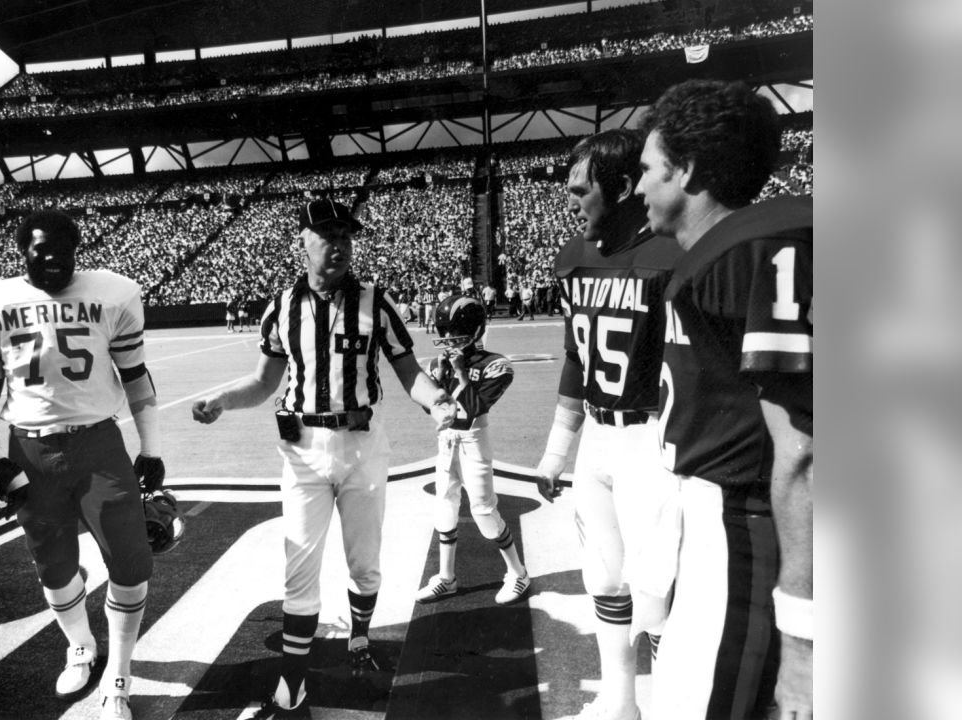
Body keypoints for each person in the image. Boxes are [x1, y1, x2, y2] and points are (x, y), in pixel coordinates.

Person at [190, 199, 458, 720]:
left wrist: (439, 403)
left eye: (345, 235)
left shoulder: (376, 301)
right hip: (303, 452)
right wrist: (223, 400)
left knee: (365, 560)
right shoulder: (281, 306)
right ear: (303, 241)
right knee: (300, 568)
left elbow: (408, 371)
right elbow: (265, 382)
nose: (338, 244)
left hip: (361, 443)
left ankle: (359, 640)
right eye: (326, 234)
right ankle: (292, 687)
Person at [636, 79, 813, 720]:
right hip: (719, 519)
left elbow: (804, 452)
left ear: (687, 170)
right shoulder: (723, 251)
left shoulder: (751, 250)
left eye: (649, 170)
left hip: (746, 524)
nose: (638, 188)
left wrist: (804, 640)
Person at [0, 209, 166, 720]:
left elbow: (137, 380)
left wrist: (153, 448)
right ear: (22, 251)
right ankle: (80, 645)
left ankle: (118, 676)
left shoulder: (114, 292)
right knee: (52, 565)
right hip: (29, 449)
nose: (54, 262)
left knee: (131, 557)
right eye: (41, 252)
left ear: (79, 251)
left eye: (64, 253)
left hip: (98, 444)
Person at [529, 129, 683, 720]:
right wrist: (555, 451)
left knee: (656, 592)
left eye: (580, 189)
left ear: (622, 187)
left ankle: (675, 703)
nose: (570, 201)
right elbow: (577, 357)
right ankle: (621, 703)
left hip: (652, 437)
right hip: (597, 436)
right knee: (604, 581)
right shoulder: (573, 258)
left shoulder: (671, 255)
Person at [415, 295, 530, 606]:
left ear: (477, 331)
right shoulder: (438, 364)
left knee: (483, 511)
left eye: (458, 335)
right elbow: (433, 409)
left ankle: (518, 573)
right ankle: (447, 577)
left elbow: (475, 407)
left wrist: (462, 375)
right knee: (444, 506)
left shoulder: (495, 365)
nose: (451, 342)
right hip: (446, 441)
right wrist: (439, 380)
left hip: (473, 442)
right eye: (447, 335)